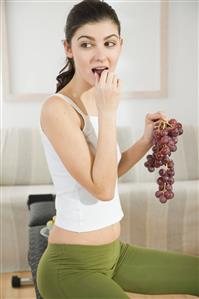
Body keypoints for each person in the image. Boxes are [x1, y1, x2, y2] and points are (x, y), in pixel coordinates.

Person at [36, 1, 199, 298]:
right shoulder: (57, 109)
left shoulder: (98, 100)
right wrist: (108, 111)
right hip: (71, 267)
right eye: (86, 44)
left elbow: (107, 172)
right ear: (68, 49)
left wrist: (145, 140)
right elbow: (103, 189)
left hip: (115, 255)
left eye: (109, 43)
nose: (101, 55)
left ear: (120, 46)